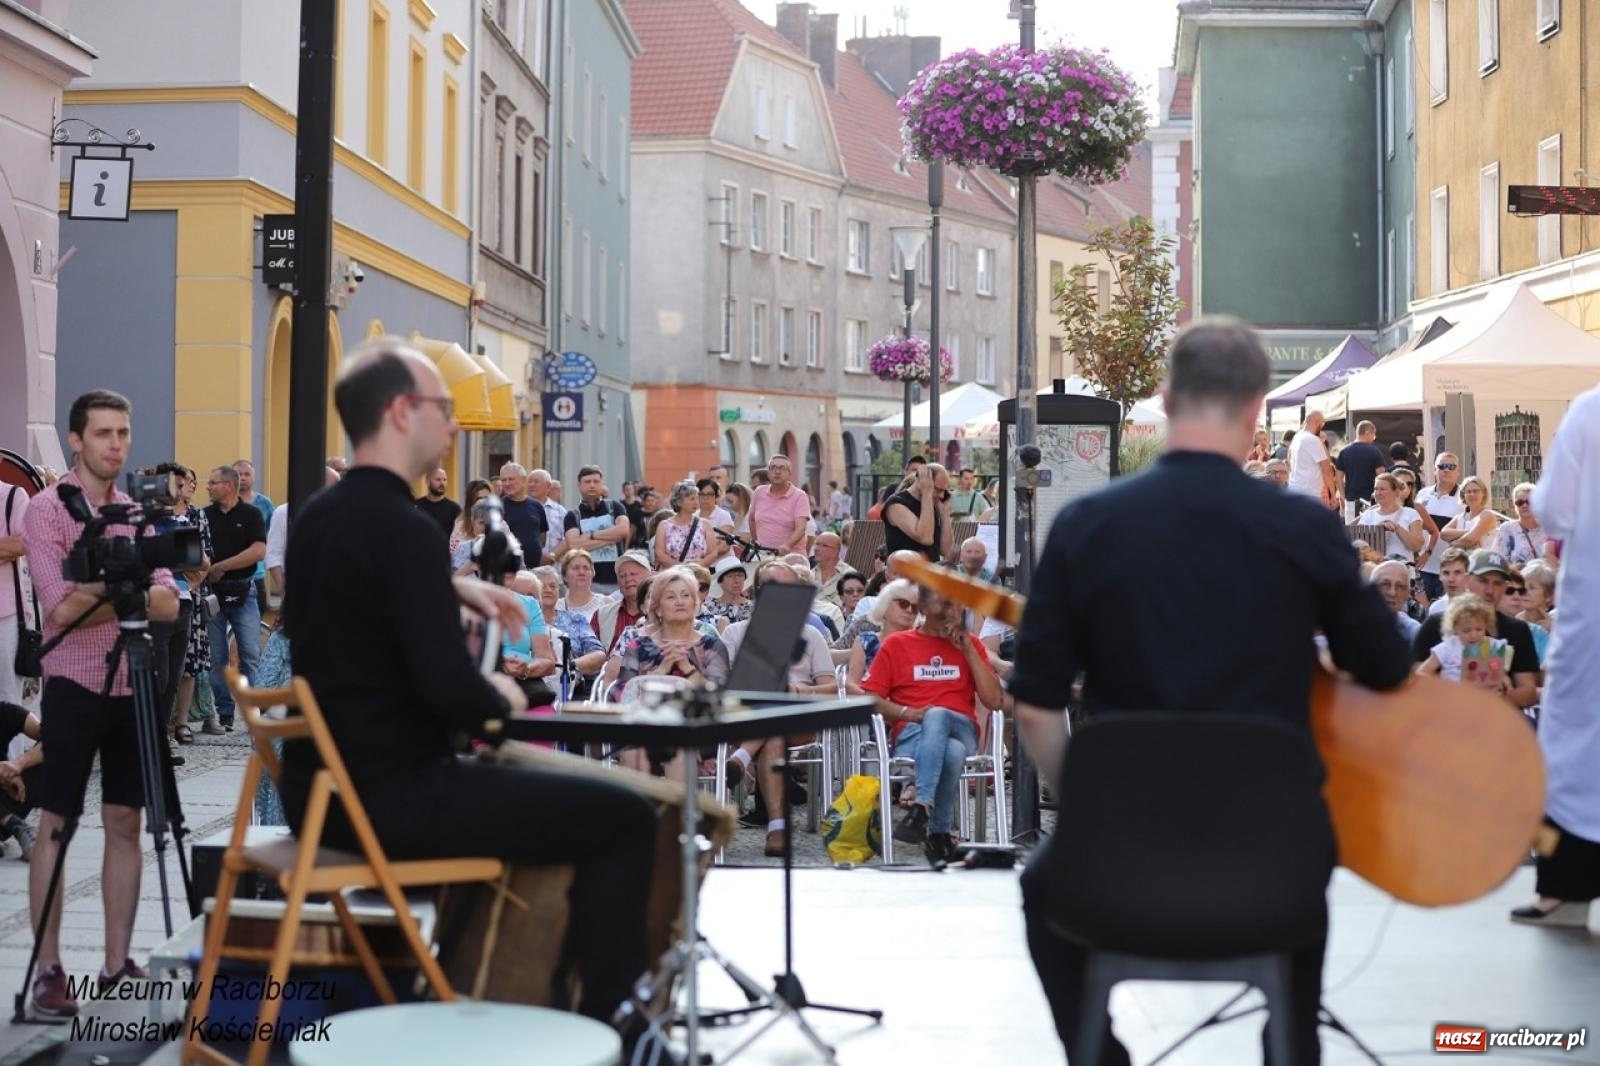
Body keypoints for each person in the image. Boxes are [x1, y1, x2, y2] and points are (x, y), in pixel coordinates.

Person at [1008, 318, 1412, 1066]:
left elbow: (1033, 703)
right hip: (1275, 863)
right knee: (1306, 877)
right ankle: (1288, 1041)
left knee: (1039, 891)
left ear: (1165, 398)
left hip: (1115, 863)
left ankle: (1100, 1056)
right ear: (1259, 405)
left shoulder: (1089, 524)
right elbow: (1387, 671)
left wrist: (1093, 804)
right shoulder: (1302, 527)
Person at [280, 337, 655, 1023]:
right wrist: (511, 692)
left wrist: (450, 592)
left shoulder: (318, 517)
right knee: (626, 817)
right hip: (389, 797)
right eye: (443, 408)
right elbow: (455, 695)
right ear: (401, 412)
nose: (453, 425)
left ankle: (500, 990)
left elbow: (356, 610)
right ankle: (613, 1026)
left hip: (322, 791)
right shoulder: (402, 527)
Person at [20, 389, 182, 1018]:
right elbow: (59, 608)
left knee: (126, 823)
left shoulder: (138, 509)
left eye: (123, 432)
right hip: (73, 686)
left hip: (131, 685)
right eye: (104, 433)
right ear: (76, 441)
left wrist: (112, 590)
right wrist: (133, 590)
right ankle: (49, 970)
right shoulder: (46, 511)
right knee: (57, 822)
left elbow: (170, 604)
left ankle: (117, 964)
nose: (116, 444)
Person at [1513, 384, 1600, 926]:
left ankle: (1564, 892)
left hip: (1593, 614)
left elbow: (1551, 508)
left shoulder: (1591, 410)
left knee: (1573, 747)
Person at [861, 582, 1003, 863]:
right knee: (951, 752)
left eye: (958, 604)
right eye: (946, 604)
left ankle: (922, 804)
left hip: (961, 727)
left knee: (938, 714)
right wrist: (907, 713)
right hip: (913, 733)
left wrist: (969, 651)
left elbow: (994, 701)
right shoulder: (897, 644)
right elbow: (871, 700)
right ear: (924, 607)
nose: (954, 611)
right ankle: (938, 835)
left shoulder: (971, 643)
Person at [1409, 549, 1540, 710]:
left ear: (1506, 586)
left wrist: (1500, 697)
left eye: (1497, 583)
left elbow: (1528, 692)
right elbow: (1415, 682)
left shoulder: (1518, 630)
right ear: (1467, 580)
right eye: (1483, 581)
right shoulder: (1436, 624)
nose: (1490, 590)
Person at [203, 465, 267, 731]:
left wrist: (222, 566)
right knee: (217, 657)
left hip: (244, 591)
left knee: (250, 654)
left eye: (213, 482)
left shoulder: (251, 514)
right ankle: (225, 712)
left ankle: (255, 713)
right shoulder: (204, 515)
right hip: (212, 594)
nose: (208, 487)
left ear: (228, 486)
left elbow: (258, 551)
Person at [562, 466, 632, 592]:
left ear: (602, 484)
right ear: (579, 485)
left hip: (617, 580)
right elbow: (574, 545)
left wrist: (591, 535)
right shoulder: (573, 515)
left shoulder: (615, 507)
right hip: (590, 582)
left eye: (596, 481)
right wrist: (611, 538)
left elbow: (623, 531)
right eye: (587, 482)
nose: (592, 485)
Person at [1417, 595, 1506, 686]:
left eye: (1479, 629)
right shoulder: (1448, 646)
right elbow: (1422, 672)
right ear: (1455, 628)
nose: (1473, 635)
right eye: (1466, 631)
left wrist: (1505, 684)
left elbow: (1503, 676)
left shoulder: (1493, 646)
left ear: (1486, 625)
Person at [1414, 453, 1465, 600]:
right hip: (1424, 568)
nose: (1446, 470)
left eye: (1451, 466)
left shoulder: (1465, 497)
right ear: (1434, 470)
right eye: (1442, 466)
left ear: (1458, 471)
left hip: (1451, 571)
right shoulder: (1423, 494)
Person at [882, 463, 955, 564]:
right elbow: (925, 538)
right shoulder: (896, 503)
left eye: (944, 491)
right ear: (922, 481)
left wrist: (944, 512)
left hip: (930, 572)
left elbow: (947, 551)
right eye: (938, 490)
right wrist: (927, 494)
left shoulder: (933, 504)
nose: (942, 496)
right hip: (904, 574)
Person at [233, 460, 275, 615]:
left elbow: (272, 535)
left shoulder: (265, 504)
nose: (243, 478)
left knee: (257, 616)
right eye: (239, 474)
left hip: (257, 572)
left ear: (253, 478)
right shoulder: (225, 504)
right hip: (228, 574)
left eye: (247, 474)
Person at [746, 456, 811, 555]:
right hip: (763, 554)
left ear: (789, 474)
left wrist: (787, 545)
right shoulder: (759, 492)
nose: (777, 471)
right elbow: (751, 519)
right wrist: (755, 542)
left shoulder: (799, 496)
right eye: (773, 467)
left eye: (782, 468)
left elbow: (801, 529)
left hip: (790, 555)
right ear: (768, 473)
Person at [653, 482, 722, 570]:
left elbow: (713, 553)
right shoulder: (664, 525)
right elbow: (659, 554)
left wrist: (697, 566)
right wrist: (681, 567)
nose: (696, 502)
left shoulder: (705, 524)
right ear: (679, 502)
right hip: (672, 576)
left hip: (698, 575)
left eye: (697, 498)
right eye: (692, 499)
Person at [1356, 474, 1424, 562]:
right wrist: (1378, 529)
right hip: (1375, 569)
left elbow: (1416, 546)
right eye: (1376, 489)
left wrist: (1397, 528)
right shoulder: (1368, 514)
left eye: (1382, 489)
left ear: (1396, 492)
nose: (1378, 493)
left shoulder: (1410, 513)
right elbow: (1359, 543)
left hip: (1402, 569)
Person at [497, 463, 548, 565]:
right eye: (503, 480)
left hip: (535, 568)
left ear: (524, 480)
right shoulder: (497, 507)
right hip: (509, 568)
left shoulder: (536, 506)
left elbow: (542, 536)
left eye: (511, 479)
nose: (507, 483)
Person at [1494, 481, 1554, 566]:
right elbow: (1498, 559)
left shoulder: (1548, 528)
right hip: (1518, 578)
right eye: (1519, 503)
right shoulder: (1507, 529)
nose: (1524, 505)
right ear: (1514, 505)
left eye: (1529, 501)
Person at [1438, 474, 1500, 553]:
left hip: (1482, 562)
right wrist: (1468, 532)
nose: (1472, 494)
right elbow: (1443, 533)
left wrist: (1452, 545)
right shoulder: (1459, 517)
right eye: (1468, 491)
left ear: (1483, 493)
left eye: (1476, 491)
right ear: (1463, 495)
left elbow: (1470, 540)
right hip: (1463, 563)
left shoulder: (1487, 515)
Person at [1334, 420, 1385, 510]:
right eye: (1374, 435)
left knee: (1351, 524)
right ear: (1367, 433)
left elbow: (1338, 478)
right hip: (1370, 500)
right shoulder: (1375, 452)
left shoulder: (1344, 452)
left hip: (1350, 499)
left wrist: (1343, 497)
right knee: (1368, 524)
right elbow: (1382, 477)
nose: (1374, 438)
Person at [1287, 410, 1335, 506]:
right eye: (1322, 423)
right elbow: (1327, 469)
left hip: (1294, 489)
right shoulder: (1312, 440)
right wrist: (1333, 494)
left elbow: (1288, 461)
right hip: (1310, 493)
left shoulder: (1297, 437)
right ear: (1317, 422)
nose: (1322, 427)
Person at [810, 531, 856, 607]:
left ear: (835, 551)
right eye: (817, 544)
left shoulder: (849, 575)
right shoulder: (809, 574)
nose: (816, 548)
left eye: (823, 545)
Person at [449, 478, 491, 559]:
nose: (483, 502)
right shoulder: (460, 528)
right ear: (471, 502)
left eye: (487, 498)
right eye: (479, 499)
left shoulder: (501, 524)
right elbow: (453, 559)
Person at [414, 466, 460, 538]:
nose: (442, 483)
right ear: (428, 481)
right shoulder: (416, 506)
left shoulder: (454, 509)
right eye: (438, 479)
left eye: (445, 480)